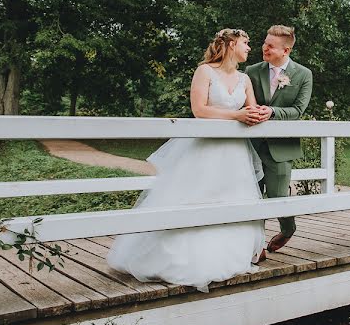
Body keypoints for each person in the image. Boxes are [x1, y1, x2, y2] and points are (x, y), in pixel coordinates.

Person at [107, 29, 270, 292]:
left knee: (232, 200)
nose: (249, 48)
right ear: (230, 44)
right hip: (205, 149)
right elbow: (200, 110)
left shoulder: (245, 78)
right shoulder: (205, 71)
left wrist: (258, 114)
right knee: (194, 197)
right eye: (245, 43)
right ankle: (174, 260)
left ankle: (227, 257)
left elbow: (249, 110)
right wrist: (236, 117)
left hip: (234, 153)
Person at [245, 25, 313, 253]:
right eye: (265, 43)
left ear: (286, 51)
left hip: (281, 147)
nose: (264, 48)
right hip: (251, 145)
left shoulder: (303, 74)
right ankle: (256, 246)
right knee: (252, 195)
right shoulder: (252, 71)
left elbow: (298, 110)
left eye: (271, 46)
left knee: (278, 196)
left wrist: (272, 112)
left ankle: (287, 229)